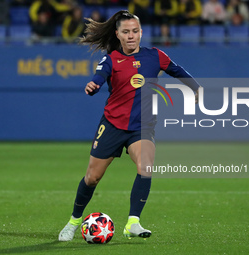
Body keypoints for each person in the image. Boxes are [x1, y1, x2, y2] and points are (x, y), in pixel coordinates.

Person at [58, 10, 201, 241]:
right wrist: (93, 85)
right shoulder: (111, 59)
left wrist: (196, 87)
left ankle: (133, 222)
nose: (131, 35)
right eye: (126, 32)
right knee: (92, 178)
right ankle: (73, 221)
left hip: (142, 127)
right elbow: (99, 76)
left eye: (135, 31)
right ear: (118, 34)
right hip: (113, 125)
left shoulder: (155, 56)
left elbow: (178, 71)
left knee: (146, 166)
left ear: (141, 32)